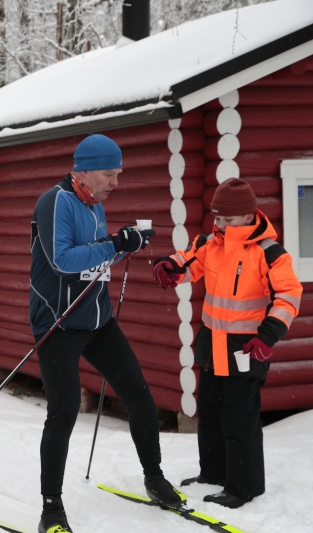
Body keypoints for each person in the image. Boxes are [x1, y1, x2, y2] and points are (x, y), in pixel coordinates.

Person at [29, 134, 182, 533]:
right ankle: (51, 507)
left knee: (139, 394)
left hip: (98, 320)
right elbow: (62, 260)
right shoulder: (56, 201)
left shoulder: (94, 203)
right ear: (83, 169)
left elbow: (97, 252)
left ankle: (154, 477)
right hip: (59, 323)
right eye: (109, 174)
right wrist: (114, 243)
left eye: (119, 174)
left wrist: (124, 243)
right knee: (63, 412)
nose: (115, 182)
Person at [153, 178, 302, 508]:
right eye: (216, 218)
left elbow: (290, 295)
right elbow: (189, 260)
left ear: (248, 217)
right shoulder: (211, 241)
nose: (219, 224)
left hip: (247, 347)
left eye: (226, 219)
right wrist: (171, 267)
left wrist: (269, 335)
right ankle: (214, 473)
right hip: (212, 344)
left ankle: (243, 487)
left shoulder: (270, 254)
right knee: (210, 413)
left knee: (239, 418)